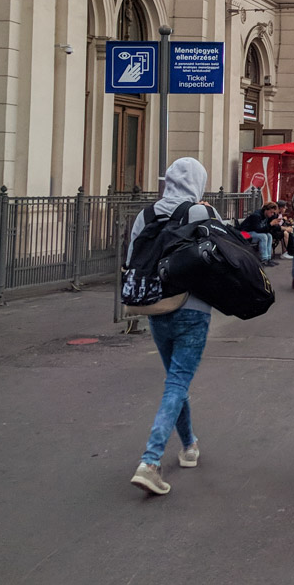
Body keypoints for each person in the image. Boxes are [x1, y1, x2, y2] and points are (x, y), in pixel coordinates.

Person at [129, 157, 218, 497]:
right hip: (193, 307)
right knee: (177, 381)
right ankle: (150, 462)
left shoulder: (146, 215)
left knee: (174, 381)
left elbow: (132, 258)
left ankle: (189, 445)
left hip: (155, 306)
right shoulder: (201, 213)